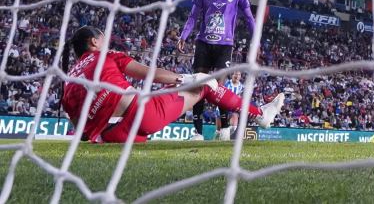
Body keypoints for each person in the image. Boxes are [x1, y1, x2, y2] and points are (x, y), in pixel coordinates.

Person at [60, 26, 283, 143]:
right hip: (141, 115)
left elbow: (81, 129)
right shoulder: (106, 55)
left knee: (169, 92)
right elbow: (149, 74)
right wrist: (185, 78)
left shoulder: (69, 80)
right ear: (94, 42)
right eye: (103, 36)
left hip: (113, 136)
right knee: (204, 83)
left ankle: (247, 119)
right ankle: (260, 115)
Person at [178, 0, 256, 140]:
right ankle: (197, 132)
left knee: (219, 88)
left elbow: (250, 18)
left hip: (224, 46)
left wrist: (256, 40)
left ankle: (224, 129)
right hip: (203, 43)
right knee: (199, 87)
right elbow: (193, 17)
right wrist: (184, 35)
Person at [217, 71, 245, 140]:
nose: (237, 76)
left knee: (233, 127)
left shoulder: (241, 86)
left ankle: (224, 137)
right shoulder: (226, 83)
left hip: (233, 109)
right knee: (219, 130)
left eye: (239, 75)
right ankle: (218, 139)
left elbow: (239, 96)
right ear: (232, 75)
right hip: (222, 107)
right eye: (236, 74)